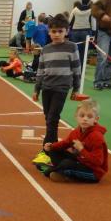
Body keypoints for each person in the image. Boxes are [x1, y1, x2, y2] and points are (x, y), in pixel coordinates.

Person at [32, 14, 81, 146]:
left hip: (61, 87)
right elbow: (40, 70)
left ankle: (48, 148)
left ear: (67, 31)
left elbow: (76, 69)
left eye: (60, 31)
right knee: (48, 117)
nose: (57, 34)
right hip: (46, 87)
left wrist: (76, 88)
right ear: (49, 32)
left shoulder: (71, 47)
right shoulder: (45, 49)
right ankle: (53, 147)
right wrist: (37, 89)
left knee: (53, 118)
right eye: (54, 31)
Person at [42, 99, 108, 183]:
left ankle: (62, 173)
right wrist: (51, 146)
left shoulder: (97, 136)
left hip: (93, 171)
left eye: (89, 116)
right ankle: (60, 170)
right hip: (80, 162)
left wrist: (81, 150)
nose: (85, 119)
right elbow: (65, 143)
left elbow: (98, 161)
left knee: (65, 164)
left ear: (96, 119)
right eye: (82, 115)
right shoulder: (76, 132)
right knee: (54, 150)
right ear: (76, 116)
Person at [69, 0, 94, 69]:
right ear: (89, 1)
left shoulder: (75, 9)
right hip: (86, 32)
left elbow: (69, 21)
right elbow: (93, 23)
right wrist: (94, 34)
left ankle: (74, 68)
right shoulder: (91, 10)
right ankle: (81, 69)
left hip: (75, 32)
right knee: (84, 52)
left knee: (75, 51)